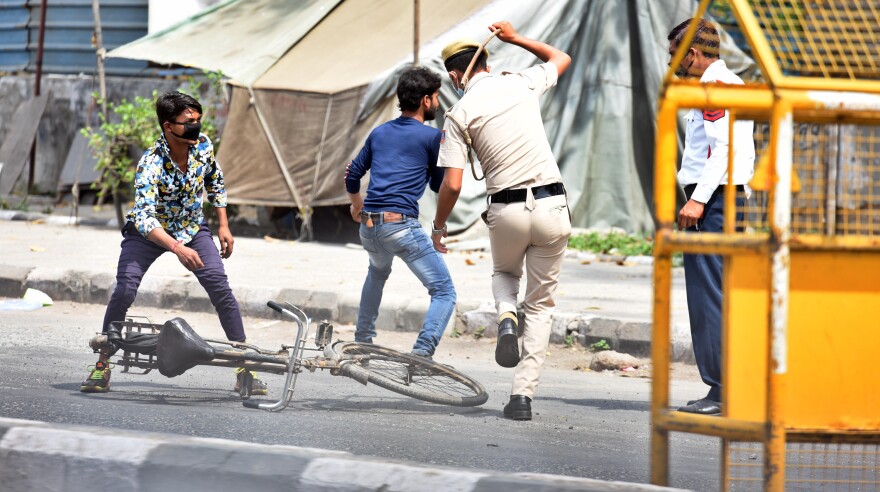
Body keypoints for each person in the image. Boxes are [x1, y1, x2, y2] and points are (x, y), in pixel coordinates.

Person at [80, 91, 267, 396]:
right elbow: (144, 217)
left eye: (198, 120)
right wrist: (177, 248)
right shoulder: (151, 163)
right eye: (188, 122)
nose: (196, 126)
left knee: (221, 289)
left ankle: (245, 369)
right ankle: (102, 364)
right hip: (150, 234)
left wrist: (223, 224)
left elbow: (215, 180)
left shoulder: (202, 145)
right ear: (168, 126)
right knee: (124, 289)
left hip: (192, 228)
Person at [432, 21, 572, 421]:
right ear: (487, 64)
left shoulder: (458, 113)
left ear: (455, 76)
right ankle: (522, 397)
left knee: (504, 274)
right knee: (541, 306)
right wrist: (515, 38)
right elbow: (560, 58)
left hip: (506, 210)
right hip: (552, 206)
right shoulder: (520, 82)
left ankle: (507, 315)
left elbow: (452, 185)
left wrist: (439, 227)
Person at [667, 18, 755, 415]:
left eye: (675, 55)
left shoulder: (715, 86)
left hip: (715, 200)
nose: (672, 64)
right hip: (723, 199)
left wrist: (698, 200)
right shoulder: (726, 83)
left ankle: (722, 392)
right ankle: (728, 387)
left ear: (694, 53)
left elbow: (723, 149)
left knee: (709, 297)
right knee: (719, 293)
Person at [345, 67, 455, 359]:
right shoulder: (432, 137)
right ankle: (422, 353)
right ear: (425, 100)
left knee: (377, 272)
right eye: (435, 97)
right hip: (401, 226)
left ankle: (363, 341)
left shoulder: (379, 132)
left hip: (369, 227)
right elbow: (439, 186)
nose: (437, 103)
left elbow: (352, 175)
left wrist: (357, 206)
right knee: (444, 291)